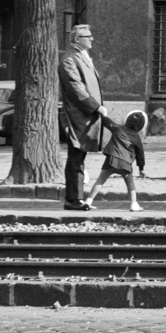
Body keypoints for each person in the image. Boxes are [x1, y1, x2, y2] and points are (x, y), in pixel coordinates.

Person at [59, 24, 111, 212]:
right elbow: (76, 88)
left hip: (85, 116)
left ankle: (75, 198)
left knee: (79, 157)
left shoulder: (81, 56)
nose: (91, 39)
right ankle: (73, 199)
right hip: (78, 117)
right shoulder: (69, 59)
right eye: (87, 36)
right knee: (76, 157)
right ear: (77, 39)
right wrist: (95, 106)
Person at [85, 111, 147, 211]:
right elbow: (140, 154)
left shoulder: (118, 128)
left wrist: (102, 114)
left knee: (100, 180)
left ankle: (88, 201)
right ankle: (134, 204)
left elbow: (107, 122)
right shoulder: (137, 138)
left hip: (111, 160)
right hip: (125, 163)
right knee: (130, 183)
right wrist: (141, 169)